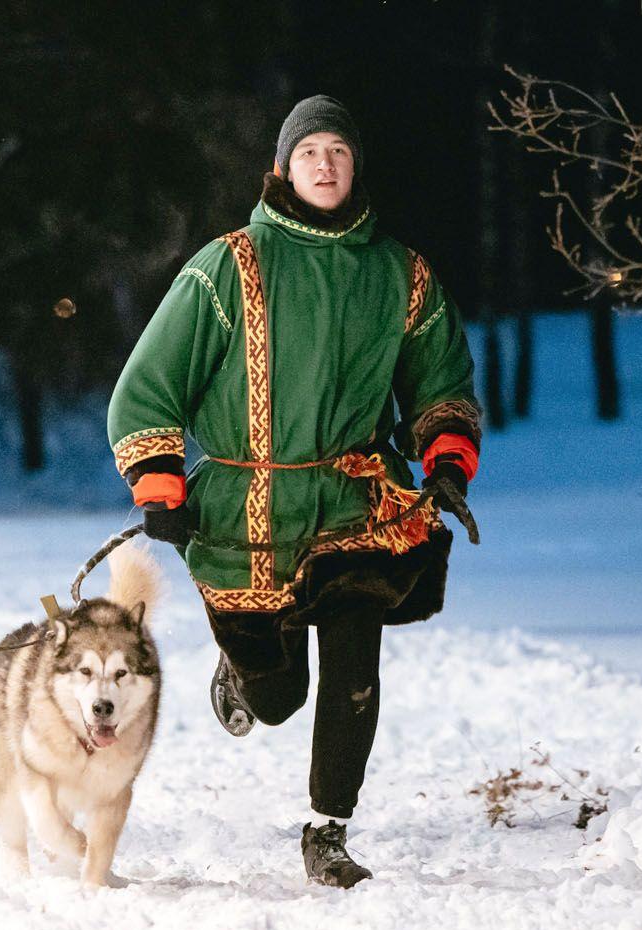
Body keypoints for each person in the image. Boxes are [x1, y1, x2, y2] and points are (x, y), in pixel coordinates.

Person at [107, 95, 482, 888]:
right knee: (282, 696)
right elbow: (146, 387)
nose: (325, 163)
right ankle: (243, 673)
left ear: (354, 167)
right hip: (251, 514)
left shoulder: (400, 272)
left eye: (338, 151)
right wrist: (161, 482)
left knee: (355, 664)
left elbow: (441, 378)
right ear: (281, 168)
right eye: (309, 151)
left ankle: (329, 828)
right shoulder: (227, 266)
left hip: (356, 502)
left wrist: (445, 457)